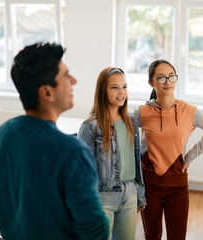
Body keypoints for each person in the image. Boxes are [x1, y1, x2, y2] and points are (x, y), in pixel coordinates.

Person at [0, 42, 109, 240]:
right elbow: (95, 232)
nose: (74, 81)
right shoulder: (72, 152)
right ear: (47, 92)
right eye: (66, 76)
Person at [133, 59, 203, 240]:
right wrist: (140, 156)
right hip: (149, 185)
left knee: (177, 237)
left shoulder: (189, 111)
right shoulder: (143, 112)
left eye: (171, 77)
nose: (168, 82)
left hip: (178, 185)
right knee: (152, 236)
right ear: (151, 82)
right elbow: (121, 126)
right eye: (162, 78)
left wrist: (189, 157)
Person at [78, 67, 146, 240]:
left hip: (130, 194)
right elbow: (82, 170)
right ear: (103, 90)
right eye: (114, 87)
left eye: (124, 87)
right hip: (102, 198)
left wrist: (140, 194)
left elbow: (135, 160)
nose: (121, 92)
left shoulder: (131, 121)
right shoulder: (91, 126)